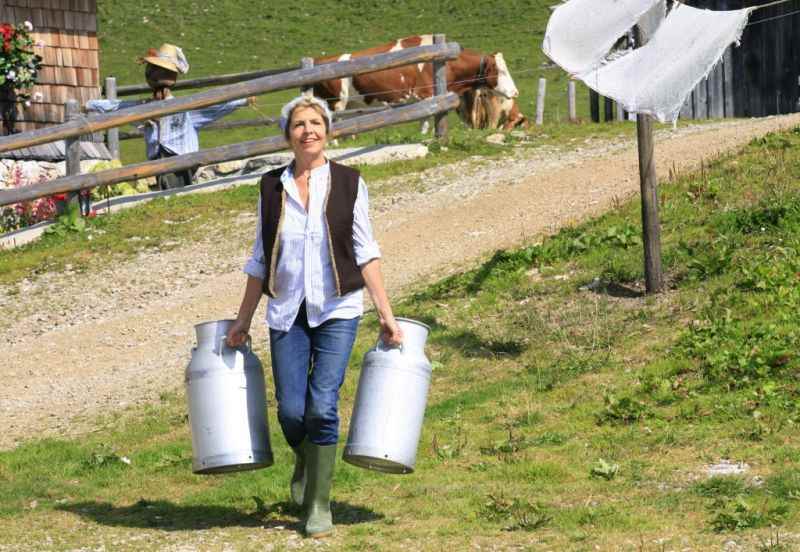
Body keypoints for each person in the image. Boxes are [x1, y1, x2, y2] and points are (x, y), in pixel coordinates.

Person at [226, 94, 403, 538]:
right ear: (288, 135)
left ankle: (319, 506)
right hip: (286, 311)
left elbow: (366, 251)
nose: (309, 130)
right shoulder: (271, 187)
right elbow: (260, 259)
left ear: (329, 131)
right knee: (290, 411)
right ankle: (306, 459)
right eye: (299, 124)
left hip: (338, 308)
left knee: (322, 407)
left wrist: (386, 312)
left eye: (316, 123)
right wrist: (242, 319)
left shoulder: (349, 183)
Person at [86, 43, 252, 190]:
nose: (151, 73)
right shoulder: (145, 107)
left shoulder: (184, 108)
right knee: (168, 191)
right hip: (158, 160)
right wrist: (90, 105)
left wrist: (242, 99)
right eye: (152, 69)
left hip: (181, 159)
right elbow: (119, 106)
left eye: (156, 70)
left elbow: (215, 106)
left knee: (177, 192)